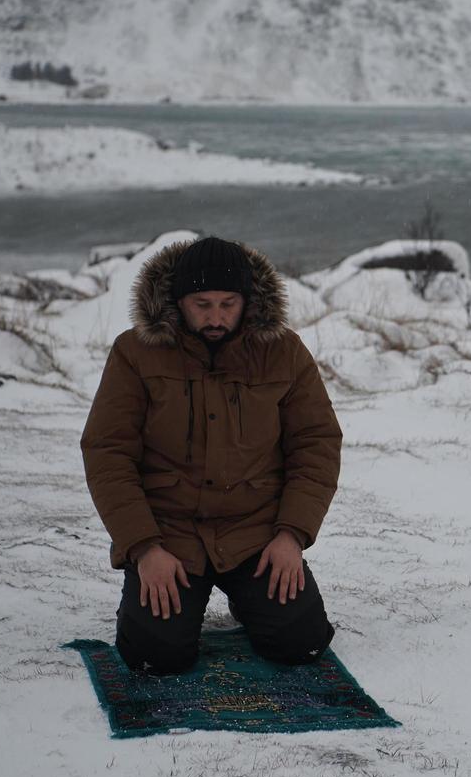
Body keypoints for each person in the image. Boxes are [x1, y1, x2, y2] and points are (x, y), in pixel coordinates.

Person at [81, 236, 341, 674]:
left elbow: (316, 442)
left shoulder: (285, 352)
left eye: (227, 303)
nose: (216, 317)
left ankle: (249, 600)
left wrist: (291, 535)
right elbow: (107, 452)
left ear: (248, 301)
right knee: (153, 657)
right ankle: (152, 606)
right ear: (177, 301)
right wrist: (144, 548)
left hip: (256, 531)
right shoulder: (134, 352)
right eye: (202, 304)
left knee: (302, 645)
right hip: (170, 534)